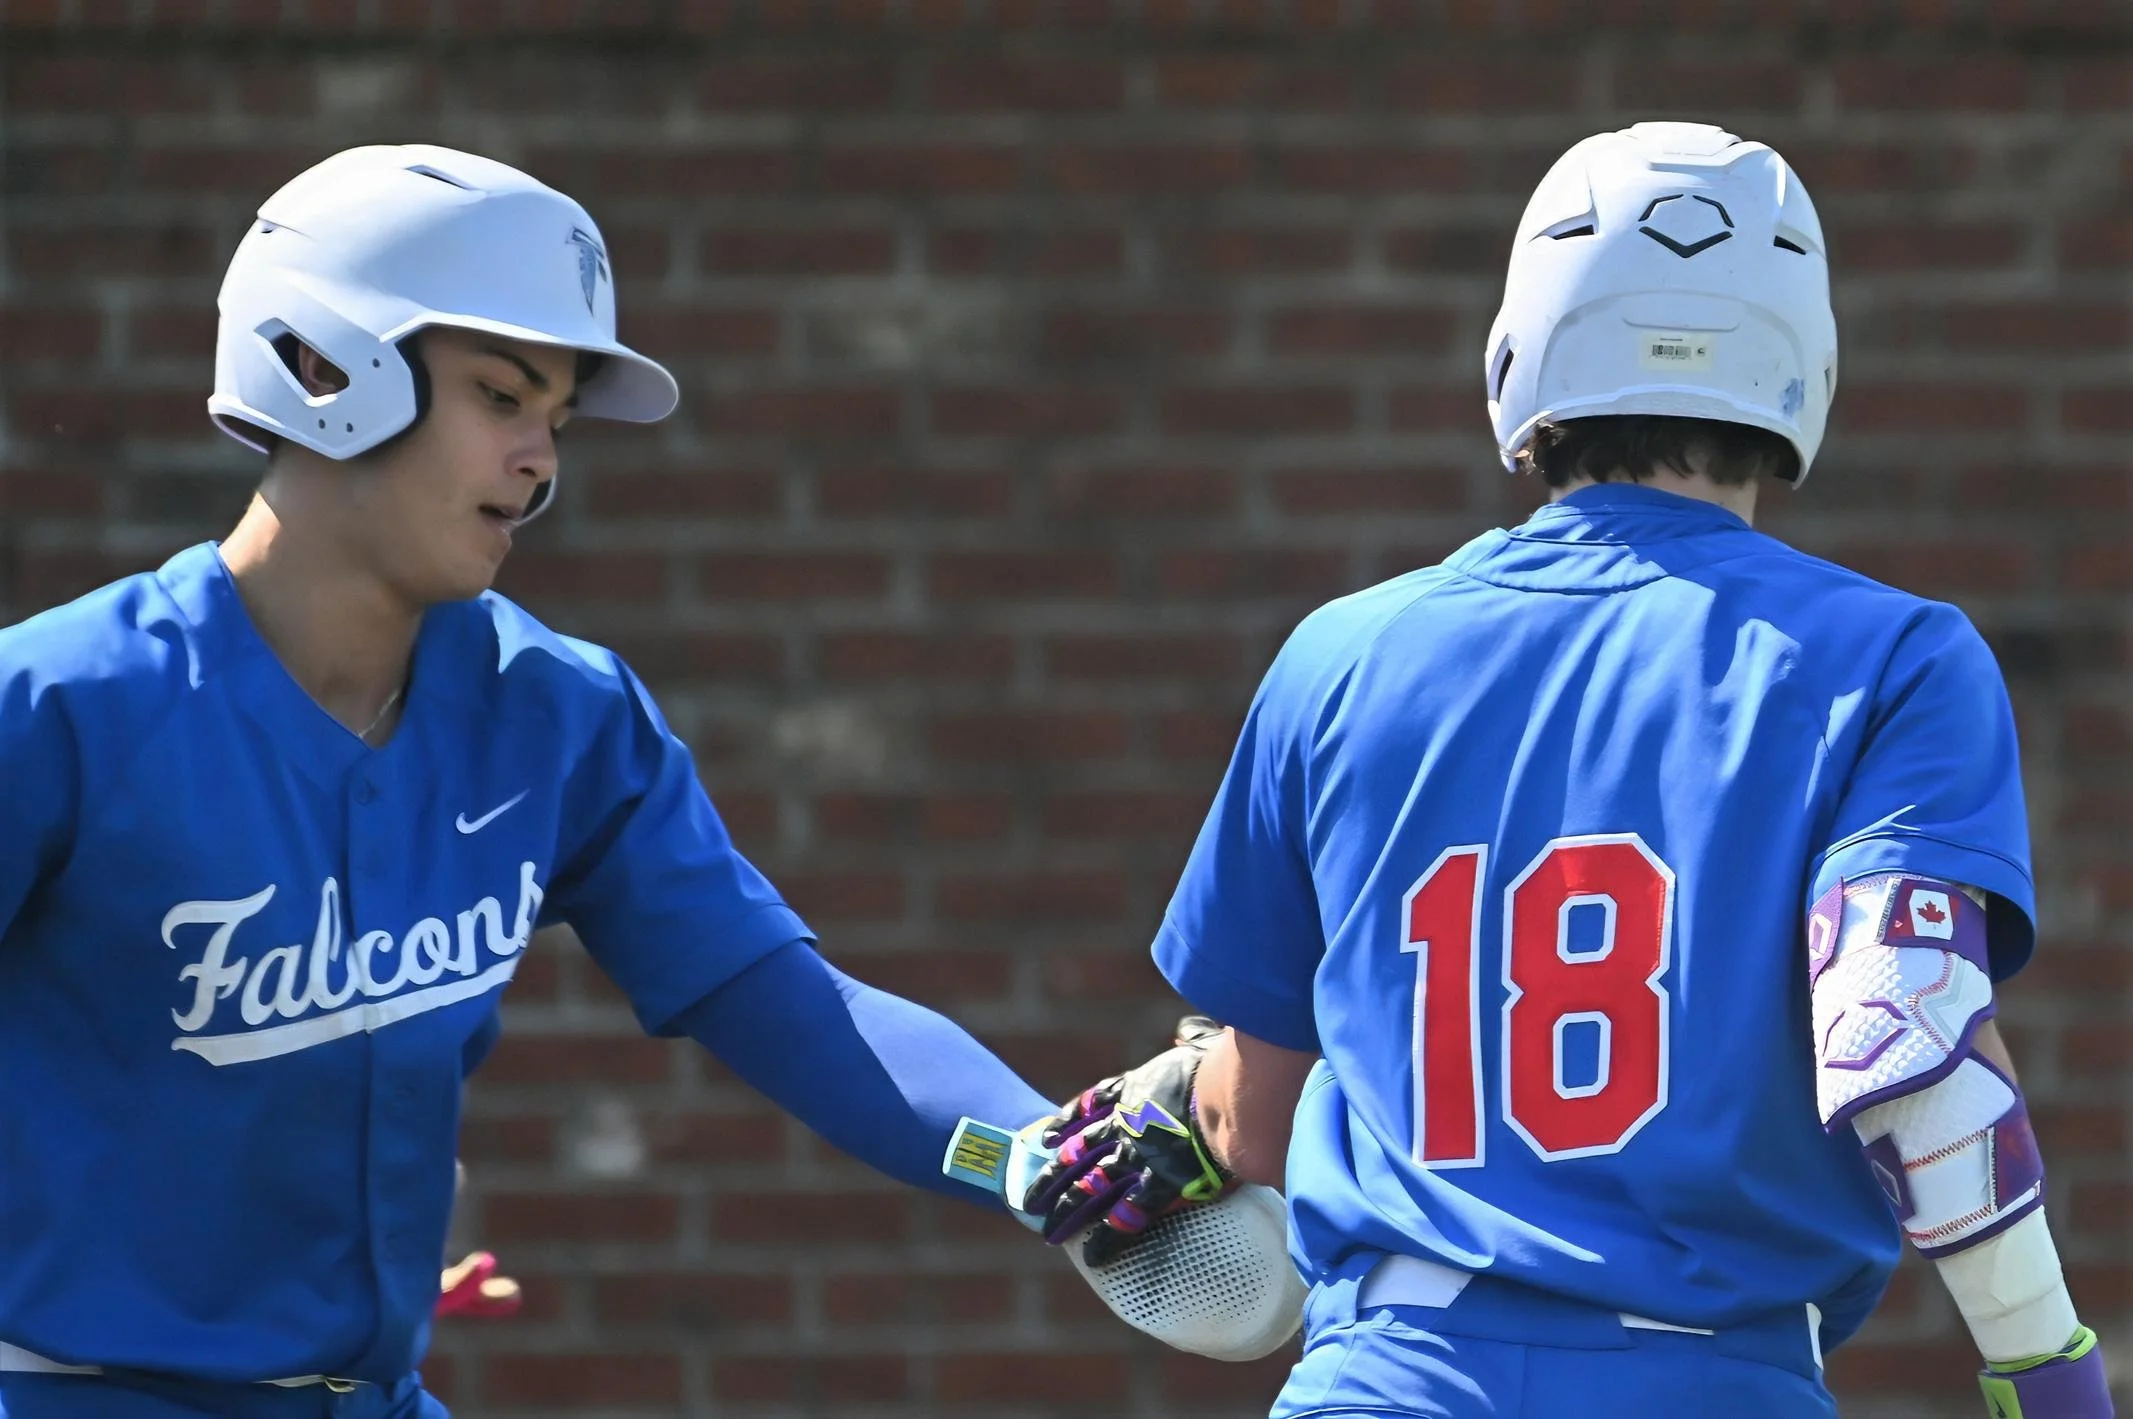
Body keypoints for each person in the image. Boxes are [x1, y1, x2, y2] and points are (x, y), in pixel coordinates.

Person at [1026, 123, 2113, 1418]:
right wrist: (2043, 1365)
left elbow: (1254, 1119)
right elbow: (1904, 1033)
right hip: (1713, 1380)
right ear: (1802, 366)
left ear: (1521, 354)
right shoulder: (1893, 660)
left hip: (1386, 1376)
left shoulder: (1340, 653)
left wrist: (1171, 1099)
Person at [0, 144, 1053, 1419]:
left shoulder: (558, 713)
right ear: (321, 368)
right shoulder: (59, 705)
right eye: (501, 396)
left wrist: (1039, 1159)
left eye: (555, 419)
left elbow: (790, 1008)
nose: (539, 459)